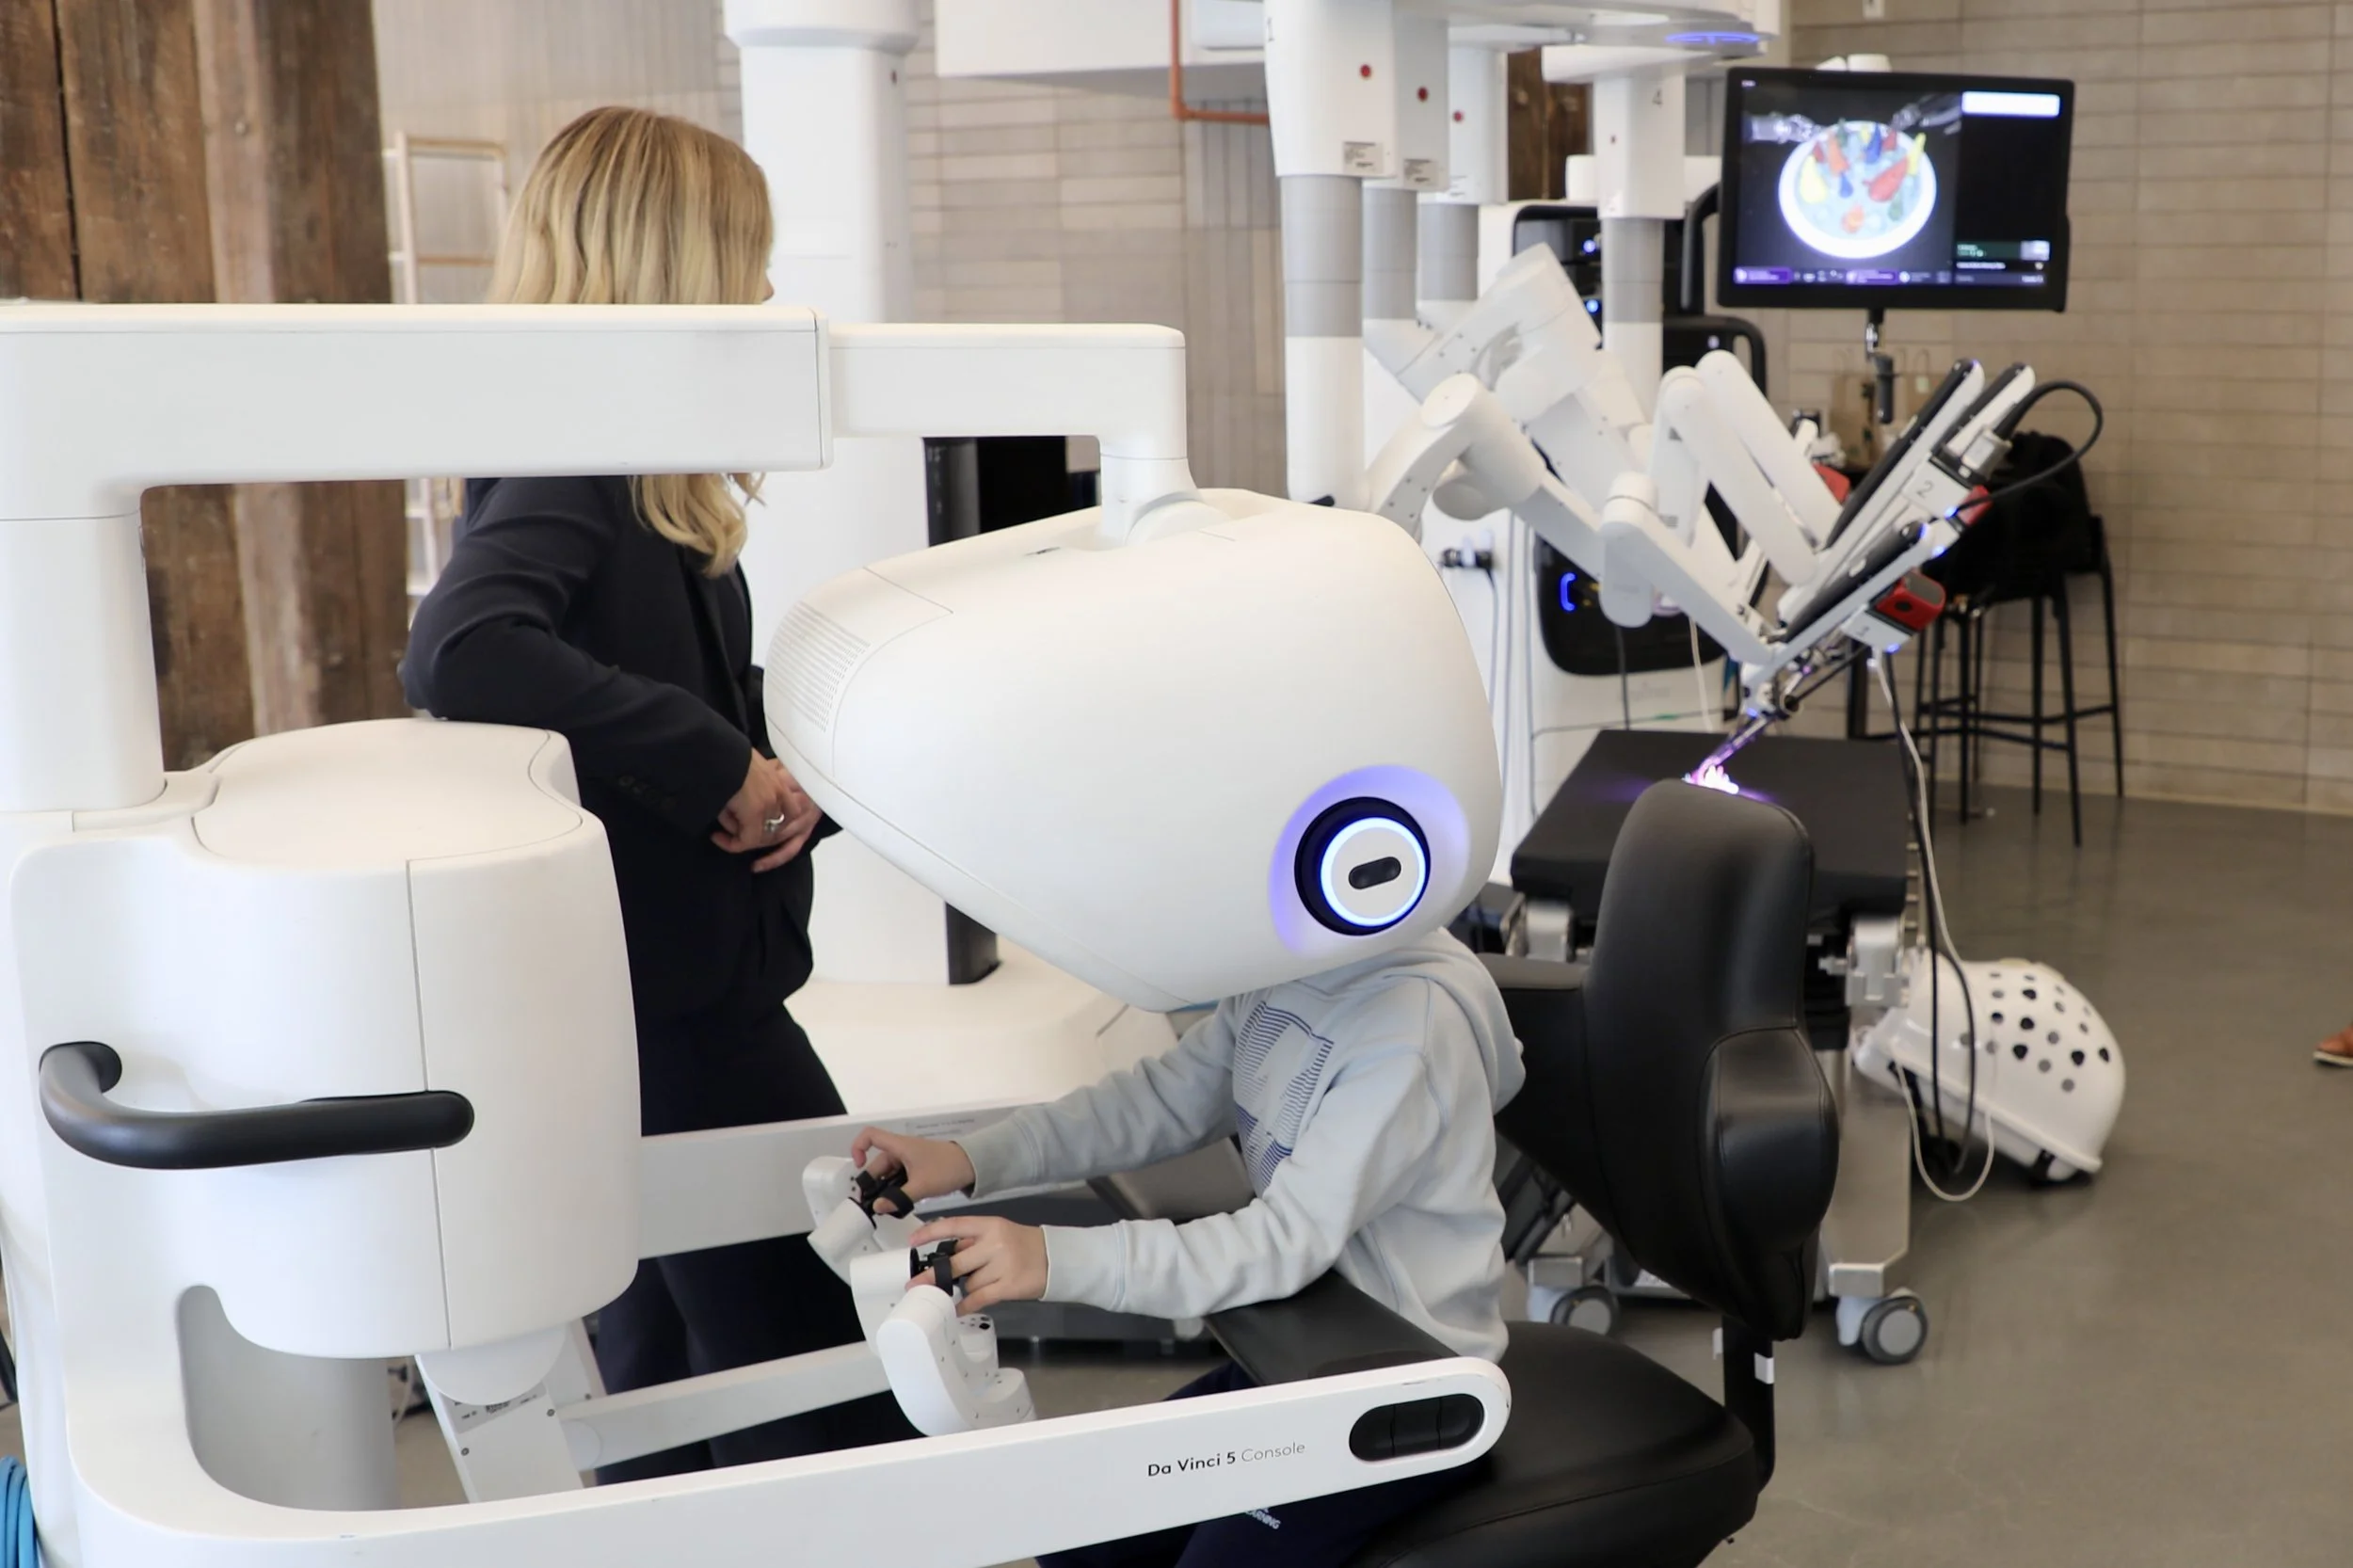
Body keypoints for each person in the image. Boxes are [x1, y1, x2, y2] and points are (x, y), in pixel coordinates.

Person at [401, 104, 908, 1474]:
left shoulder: (619, 466)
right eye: (740, 263)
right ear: (667, 266)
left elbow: (636, 672)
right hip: (674, 1016)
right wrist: (712, 764)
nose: (757, 297)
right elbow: (462, 647)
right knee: (828, 1373)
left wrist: (781, 771)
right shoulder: (578, 453)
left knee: (671, 1377)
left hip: (655, 1001)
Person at [853, 929, 1523, 1568]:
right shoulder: (1289, 968)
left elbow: (1281, 1242)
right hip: (1289, 1354)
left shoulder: (1411, 1031)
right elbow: (1162, 1101)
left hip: (1400, 1397)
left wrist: (1050, 1257)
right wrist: (969, 1157)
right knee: (1079, 1530)